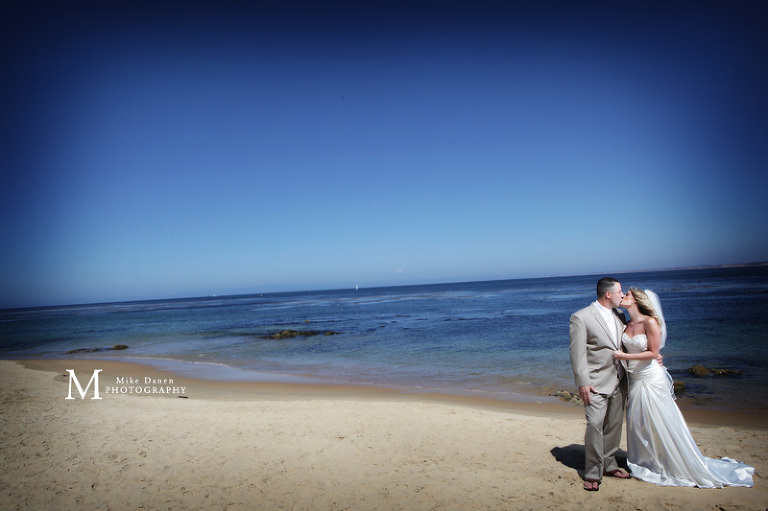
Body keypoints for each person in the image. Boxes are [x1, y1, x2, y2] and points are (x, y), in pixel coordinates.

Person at [613, 288, 754, 488]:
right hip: (635, 378)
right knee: (638, 421)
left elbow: (653, 353)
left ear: (636, 300)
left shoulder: (649, 322)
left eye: (627, 294)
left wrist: (624, 357)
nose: (623, 297)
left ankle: (671, 461)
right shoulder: (626, 323)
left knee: (660, 418)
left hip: (651, 378)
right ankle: (648, 460)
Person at [569, 277, 631, 491]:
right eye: (620, 292)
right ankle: (593, 472)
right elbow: (577, 354)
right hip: (594, 382)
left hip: (619, 380)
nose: (623, 295)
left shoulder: (620, 314)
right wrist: (582, 382)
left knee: (614, 425)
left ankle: (609, 464)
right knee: (595, 424)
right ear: (608, 294)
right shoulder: (581, 317)